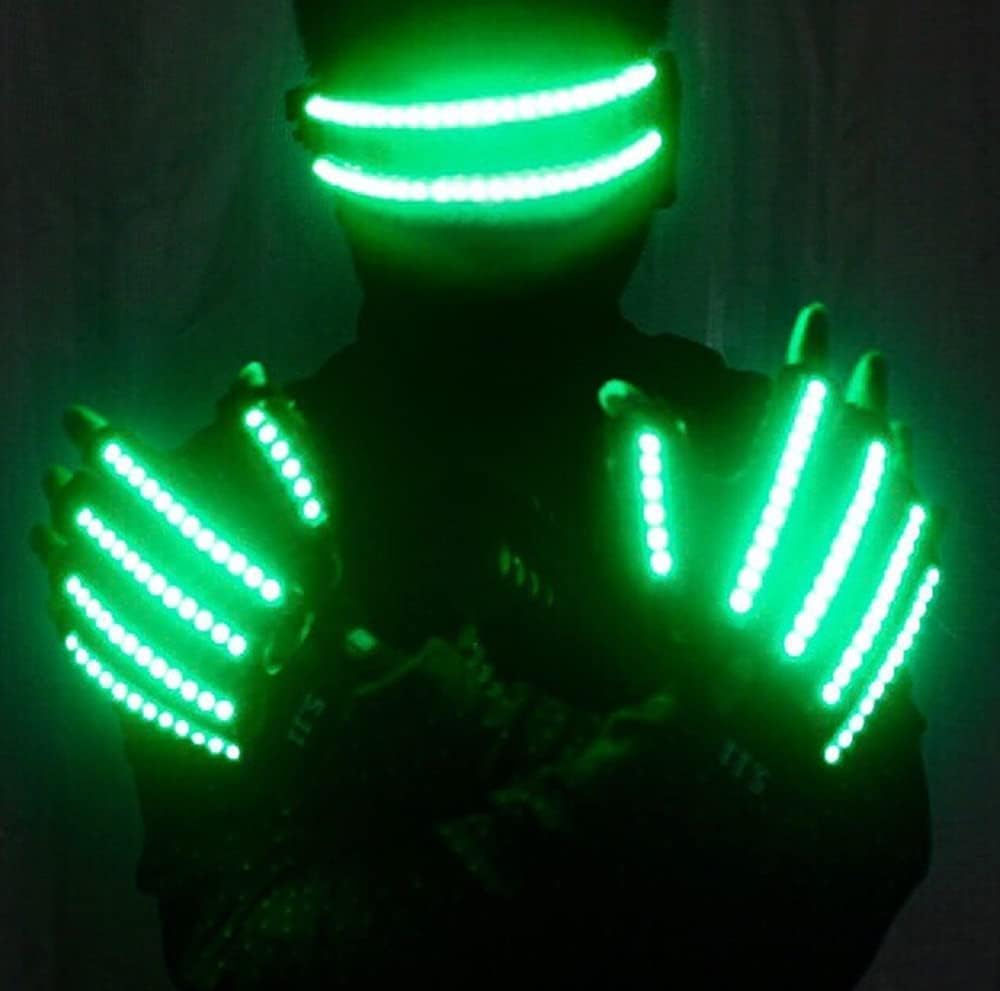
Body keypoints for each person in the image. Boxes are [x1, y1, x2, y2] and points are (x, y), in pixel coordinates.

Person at [30, 1, 936, 987]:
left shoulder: (785, 482)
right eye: (425, 143)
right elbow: (243, 960)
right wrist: (709, 756)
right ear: (318, 152)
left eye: (555, 135)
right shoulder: (216, 538)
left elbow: (843, 893)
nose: (490, 209)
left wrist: (380, 735)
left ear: (666, 122)